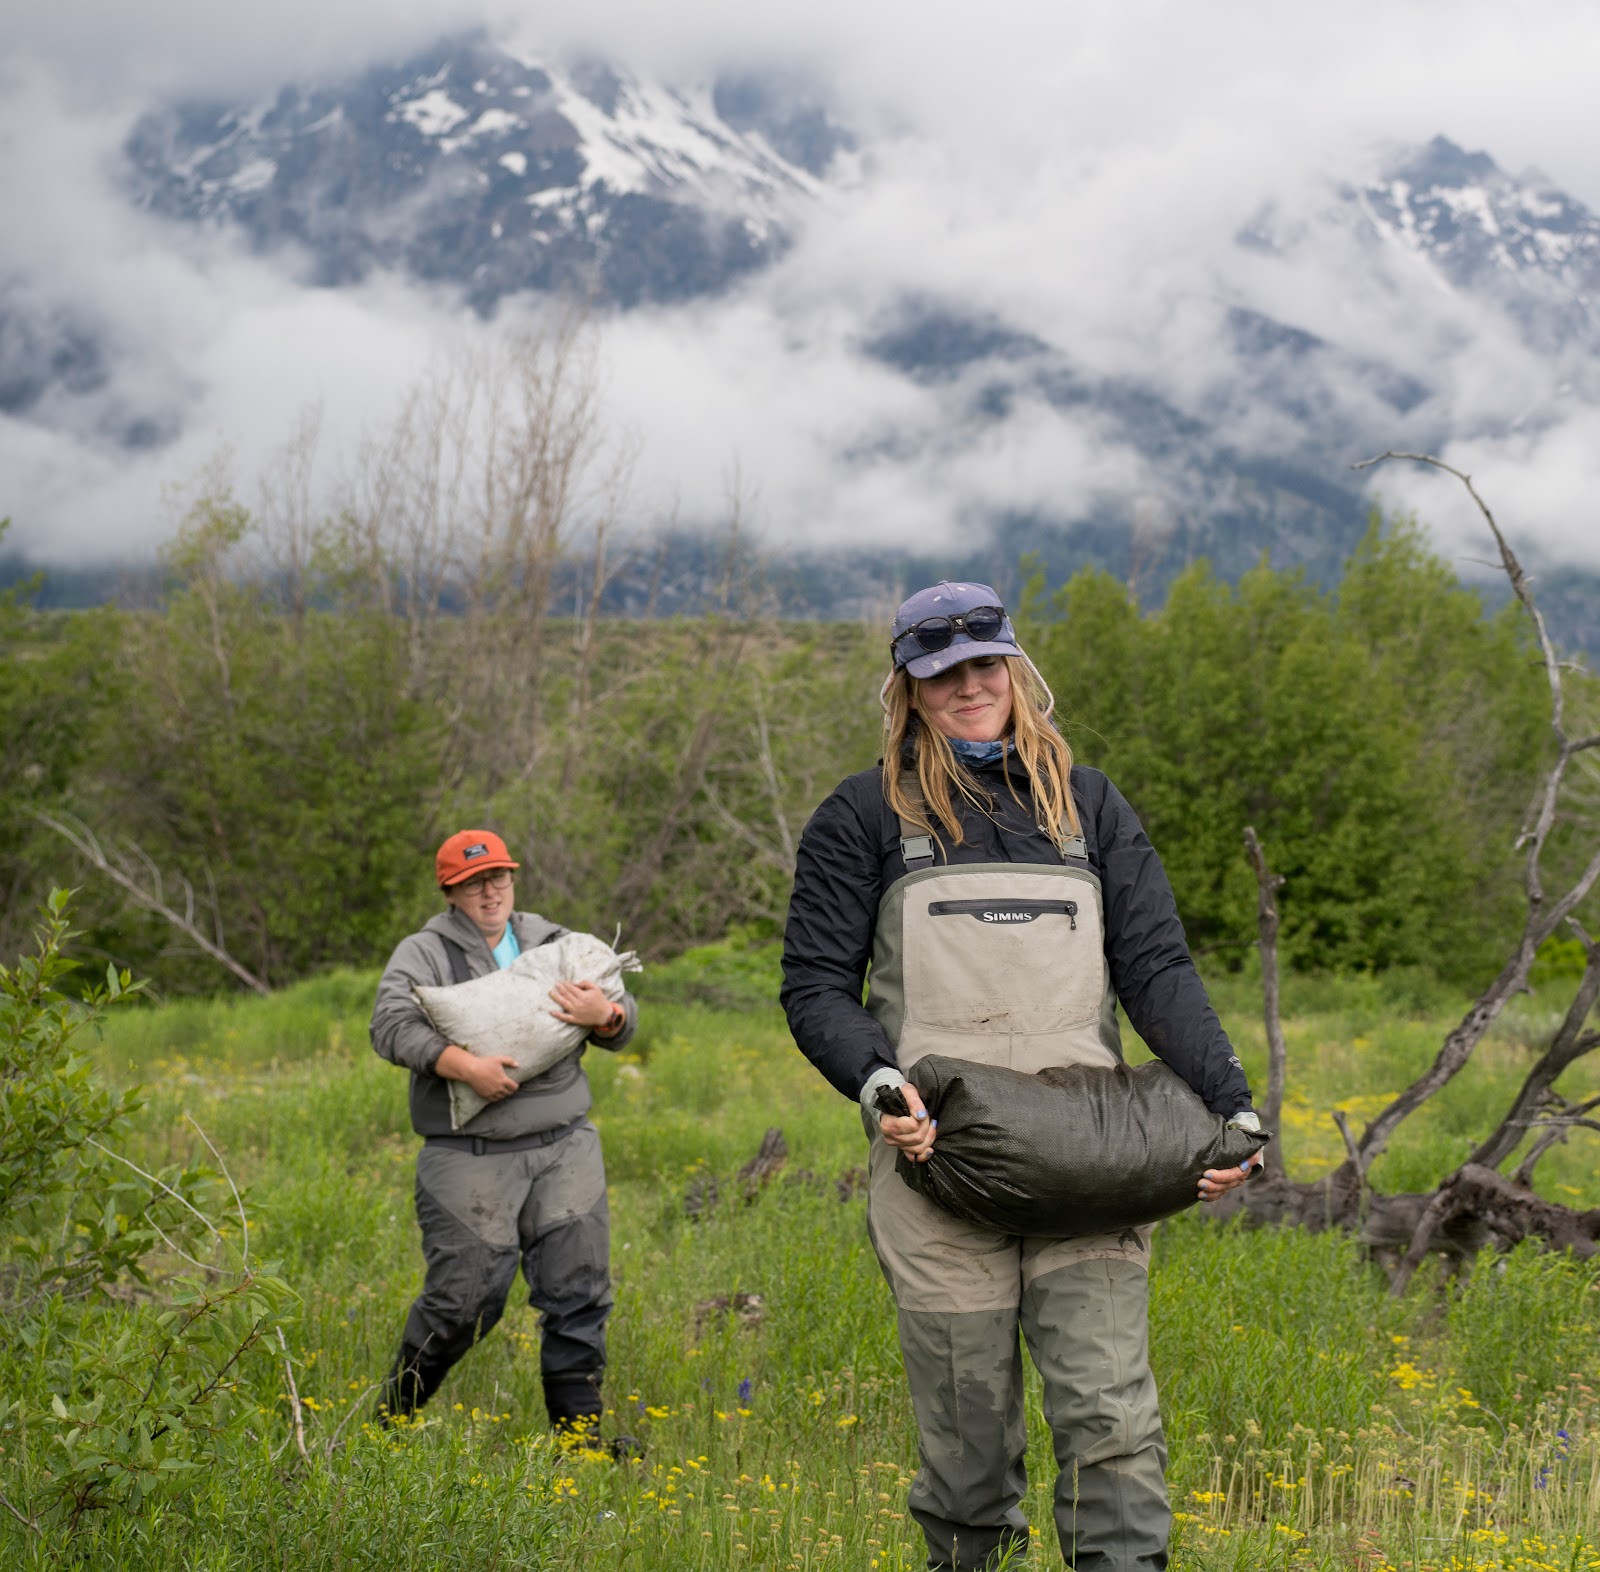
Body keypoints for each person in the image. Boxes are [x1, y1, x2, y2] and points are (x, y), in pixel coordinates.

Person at [780, 582, 1262, 1572]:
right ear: (906, 691)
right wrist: (878, 1087)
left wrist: (1233, 1107)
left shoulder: (1087, 806)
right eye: (941, 674)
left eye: (985, 667)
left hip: (1091, 1165)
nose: (968, 688)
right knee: (966, 1452)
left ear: (1015, 671)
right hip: (936, 1165)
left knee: (1110, 1422)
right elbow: (816, 985)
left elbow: (1157, 969)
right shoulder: (862, 813)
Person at [370, 829, 638, 1440]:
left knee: (579, 1291)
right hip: (469, 1152)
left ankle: (581, 1444)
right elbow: (388, 1025)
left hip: (565, 1142)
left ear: (512, 880)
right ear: (450, 890)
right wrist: (465, 1067)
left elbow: (623, 1023)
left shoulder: (553, 940)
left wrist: (610, 1017)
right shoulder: (424, 952)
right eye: (473, 882)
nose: (489, 891)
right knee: (464, 1303)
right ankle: (390, 1422)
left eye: (498, 877)